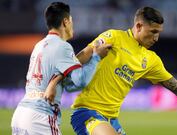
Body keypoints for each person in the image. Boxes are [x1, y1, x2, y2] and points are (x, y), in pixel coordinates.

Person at [47, 6, 177, 135]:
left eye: (159, 33)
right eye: (153, 32)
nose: (156, 38)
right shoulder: (114, 37)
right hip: (87, 113)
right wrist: (54, 82)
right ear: (139, 26)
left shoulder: (151, 60)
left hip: (112, 119)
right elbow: (81, 56)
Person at [11, 2, 111, 135]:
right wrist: (96, 57)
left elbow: (69, 86)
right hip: (41, 115)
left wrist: (55, 81)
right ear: (65, 22)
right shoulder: (63, 46)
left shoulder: (39, 45)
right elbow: (80, 80)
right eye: (71, 21)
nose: (72, 25)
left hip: (21, 114)